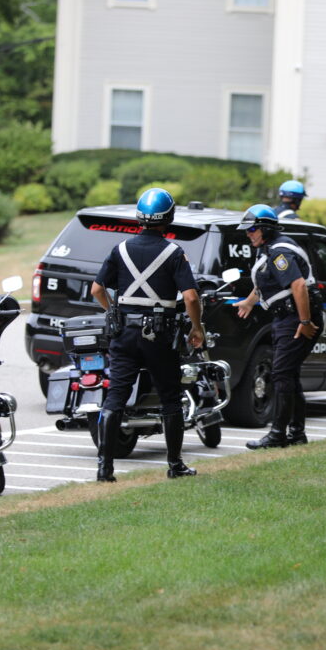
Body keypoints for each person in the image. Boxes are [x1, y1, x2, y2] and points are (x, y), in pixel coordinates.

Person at [90, 187, 205, 482]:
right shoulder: (174, 252)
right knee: (170, 396)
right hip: (159, 334)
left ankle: (105, 468)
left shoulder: (120, 249)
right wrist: (197, 327)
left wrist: (112, 310)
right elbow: (191, 298)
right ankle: (175, 464)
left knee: (115, 397)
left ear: (140, 217)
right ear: (169, 217)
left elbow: (97, 289)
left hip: (124, 333)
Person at [232, 204, 322, 449]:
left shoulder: (278, 251)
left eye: (252, 230)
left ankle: (278, 434)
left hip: (296, 317)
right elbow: (266, 281)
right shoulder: (268, 249)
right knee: (288, 374)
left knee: (281, 373)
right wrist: (250, 301)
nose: (248, 234)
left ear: (265, 228)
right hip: (286, 317)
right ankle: (296, 433)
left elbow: (299, 286)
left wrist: (304, 322)